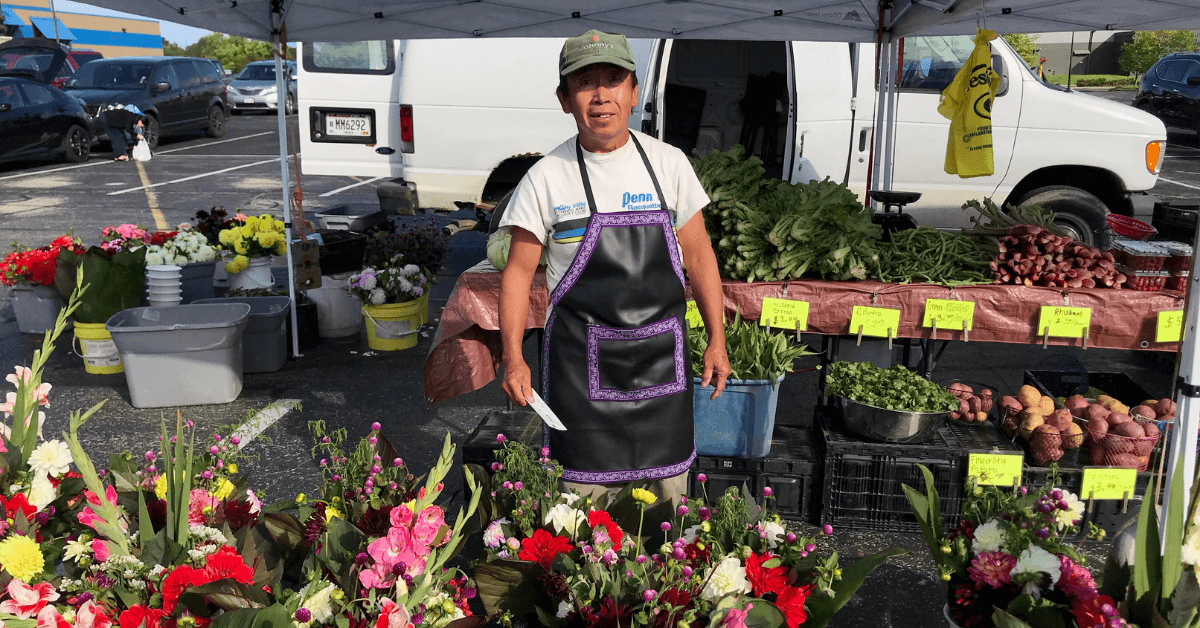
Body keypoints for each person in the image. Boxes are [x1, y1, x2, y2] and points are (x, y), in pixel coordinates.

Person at [497, 30, 730, 515]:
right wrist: (513, 357)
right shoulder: (546, 176)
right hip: (581, 377)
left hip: (663, 371)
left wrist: (716, 338)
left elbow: (700, 254)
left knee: (666, 522)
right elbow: (518, 274)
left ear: (634, 92)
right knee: (582, 524)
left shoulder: (670, 165)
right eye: (585, 83)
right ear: (565, 99)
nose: (601, 94)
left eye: (613, 80)